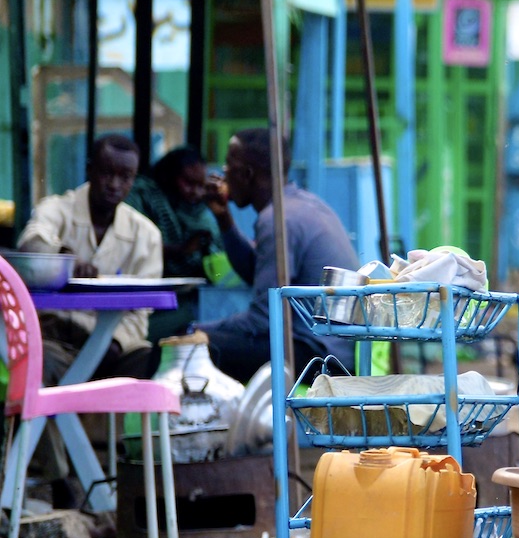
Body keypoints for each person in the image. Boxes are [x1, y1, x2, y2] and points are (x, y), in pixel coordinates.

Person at [195, 128, 359, 383]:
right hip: (333, 352)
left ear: (247, 174)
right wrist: (224, 219)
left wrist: (198, 331)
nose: (224, 172)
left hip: (317, 358)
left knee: (194, 349)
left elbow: (263, 320)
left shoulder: (278, 220)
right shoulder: (302, 204)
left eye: (229, 165)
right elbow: (255, 273)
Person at [15, 134, 163, 382]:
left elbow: (139, 316)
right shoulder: (57, 208)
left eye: (125, 177)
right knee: (44, 361)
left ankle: (93, 418)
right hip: (54, 333)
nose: (115, 184)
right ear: (89, 170)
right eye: (107, 173)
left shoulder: (146, 235)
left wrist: (112, 342)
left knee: (148, 359)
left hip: (111, 344)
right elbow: (31, 243)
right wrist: (65, 260)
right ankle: (55, 419)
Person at [123, 145, 224, 340]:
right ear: (168, 177)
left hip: (191, 294)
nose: (195, 192)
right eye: (188, 183)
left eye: (200, 185)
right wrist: (182, 250)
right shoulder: (144, 195)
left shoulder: (199, 209)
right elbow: (134, 246)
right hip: (146, 297)